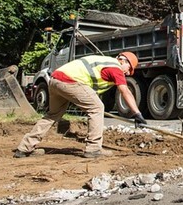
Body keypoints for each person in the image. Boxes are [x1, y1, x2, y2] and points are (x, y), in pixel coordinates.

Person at [14, 52, 147, 159]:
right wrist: (137, 113)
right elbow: (125, 91)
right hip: (69, 81)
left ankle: (24, 148)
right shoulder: (115, 67)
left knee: (52, 115)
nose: (127, 73)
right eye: (129, 69)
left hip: (54, 80)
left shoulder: (103, 61)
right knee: (97, 108)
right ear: (123, 60)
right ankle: (94, 148)